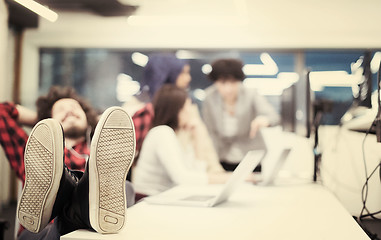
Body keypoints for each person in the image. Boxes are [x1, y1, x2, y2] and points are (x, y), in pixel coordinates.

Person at [0, 86, 135, 239]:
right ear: (50, 118)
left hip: (93, 229)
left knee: (126, 187)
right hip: (42, 232)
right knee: (72, 214)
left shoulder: (105, 150)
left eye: (75, 108)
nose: (69, 111)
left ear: (87, 116)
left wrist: (95, 119)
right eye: (61, 110)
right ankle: (70, 196)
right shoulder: (33, 149)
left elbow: (136, 119)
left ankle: (76, 200)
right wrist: (40, 120)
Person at [124, 53, 224, 175]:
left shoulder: (187, 106)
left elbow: (204, 143)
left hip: (186, 175)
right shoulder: (138, 109)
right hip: (158, 180)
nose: (188, 78)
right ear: (166, 73)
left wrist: (217, 171)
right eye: (183, 73)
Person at [132, 84, 233, 196]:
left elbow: (195, 176)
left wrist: (198, 139)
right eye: (187, 107)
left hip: (162, 199)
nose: (190, 112)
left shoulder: (173, 135)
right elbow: (183, 179)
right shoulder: (162, 133)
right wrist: (227, 178)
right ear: (175, 111)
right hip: (147, 200)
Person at [202, 58, 280, 171]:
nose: (228, 88)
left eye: (233, 82)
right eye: (223, 83)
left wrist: (263, 120)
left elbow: (273, 116)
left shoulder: (251, 94)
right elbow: (210, 131)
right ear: (215, 82)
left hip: (251, 157)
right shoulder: (209, 97)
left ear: (239, 81)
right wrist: (211, 160)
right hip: (223, 157)